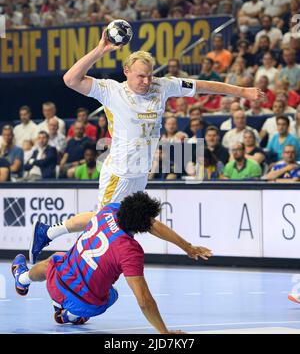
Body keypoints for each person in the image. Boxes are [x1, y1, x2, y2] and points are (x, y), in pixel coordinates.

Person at [29, 28, 264, 264]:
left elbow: (202, 85)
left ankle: (48, 234)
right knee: (104, 223)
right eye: (141, 76)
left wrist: (242, 92)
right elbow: (70, 79)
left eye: (150, 75)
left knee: (126, 221)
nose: (146, 81)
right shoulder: (111, 90)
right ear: (127, 71)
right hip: (119, 173)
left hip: (140, 173)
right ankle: (52, 239)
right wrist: (100, 50)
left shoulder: (162, 86)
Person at [12, 192, 212, 332]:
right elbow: (144, 300)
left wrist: (187, 246)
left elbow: (76, 222)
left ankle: (22, 279)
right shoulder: (131, 251)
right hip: (87, 306)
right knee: (112, 295)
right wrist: (165, 334)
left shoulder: (109, 211)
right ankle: (68, 316)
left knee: (55, 259)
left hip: (56, 285)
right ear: (143, 227)